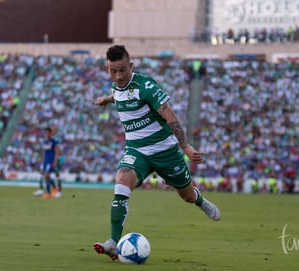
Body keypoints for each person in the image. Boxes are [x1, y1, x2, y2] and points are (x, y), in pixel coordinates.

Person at [93, 45, 220, 260]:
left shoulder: (146, 87)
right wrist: (106, 99)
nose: (118, 76)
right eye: (112, 71)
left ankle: (199, 200)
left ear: (131, 66)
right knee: (121, 183)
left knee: (187, 196)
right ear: (107, 69)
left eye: (122, 70)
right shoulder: (117, 87)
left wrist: (186, 147)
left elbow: (170, 117)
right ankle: (113, 242)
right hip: (137, 151)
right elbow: (119, 95)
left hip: (165, 152)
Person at [34, 127, 60, 199]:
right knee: (46, 176)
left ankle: (48, 193)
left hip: (50, 160)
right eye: (45, 133)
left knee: (47, 175)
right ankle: (55, 188)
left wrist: (55, 161)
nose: (46, 134)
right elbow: (44, 151)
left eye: (48, 133)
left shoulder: (54, 142)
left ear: (50, 134)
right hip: (45, 160)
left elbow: (57, 152)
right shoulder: (45, 141)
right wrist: (42, 160)